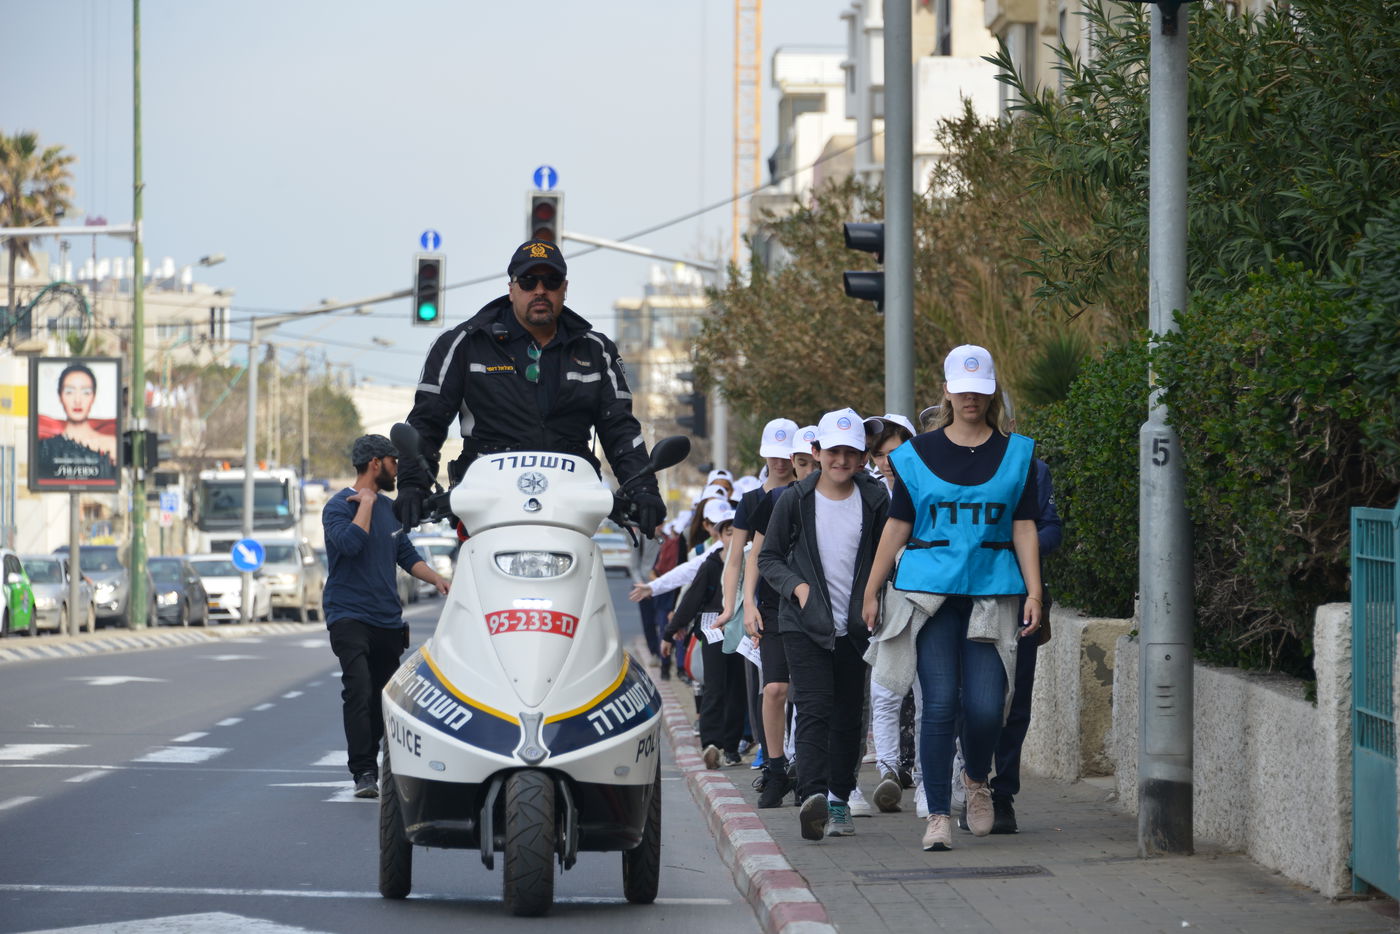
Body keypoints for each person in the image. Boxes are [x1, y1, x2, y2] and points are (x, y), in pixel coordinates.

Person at [861, 345, 1043, 852]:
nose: (970, 399)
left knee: (988, 707)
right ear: (945, 390)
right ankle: (937, 813)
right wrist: (873, 589)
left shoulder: (1017, 453)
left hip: (992, 593)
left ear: (991, 394)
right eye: (962, 390)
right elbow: (898, 525)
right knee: (939, 705)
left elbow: (1024, 526)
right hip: (928, 597)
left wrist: (1036, 593)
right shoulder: (915, 455)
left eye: (980, 391)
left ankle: (977, 782)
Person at [394, 239, 665, 536]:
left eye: (551, 280)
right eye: (528, 281)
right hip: (485, 508)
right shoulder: (462, 344)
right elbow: (427, 421)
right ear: (511, 289)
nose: (540, 290)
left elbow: (620, 430)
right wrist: (412, 486)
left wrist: (643, 490)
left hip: (570, 509)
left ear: (564, 288)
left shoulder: (597, 351)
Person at [759, 408, 889, 841]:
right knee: (813, 708)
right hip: (804, 623)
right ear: (815, 452)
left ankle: (839, 797)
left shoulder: (874, 500)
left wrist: (874, 596)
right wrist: (796, 587)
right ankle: (812, 798)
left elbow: (885, 554)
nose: (842, 461)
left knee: (849, 716)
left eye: (852, 453)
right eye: (833, 451)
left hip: (855, 627)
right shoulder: (794, 499)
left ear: (862, 456)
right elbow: (769, 559)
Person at [323, 434, 450, 799]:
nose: (398, 470)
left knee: (382, 695)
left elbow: (407, 555)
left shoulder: (391, 510)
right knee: (358, 688)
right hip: (348, 615)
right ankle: (363, 771)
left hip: (386, 620)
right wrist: (364, 503)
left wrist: (440, 579)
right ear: (375, 463)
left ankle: (380, 760)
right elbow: (349, 544)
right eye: (394, 462)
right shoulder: (338, 506)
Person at [664, 498, 746, 768]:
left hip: (743, 628)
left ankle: (732, 747)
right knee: (715, 685)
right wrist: (671, 631)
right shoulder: (710, 565)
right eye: (728, 532)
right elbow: (691, 600)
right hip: (713, 628)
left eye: (738, 531)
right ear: (719, 536)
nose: (733, 537)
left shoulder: (750, 562)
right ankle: (712, 743)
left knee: (738, 688)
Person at [35, 363, 118, 483]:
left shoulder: (112, 445)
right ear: (60, 396)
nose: (77, 400)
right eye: (69, 392)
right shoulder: (45, 446)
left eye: (85, 392)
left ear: (93, 396)